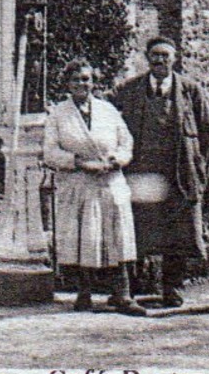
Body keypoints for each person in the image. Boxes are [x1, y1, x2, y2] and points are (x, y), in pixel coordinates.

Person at [112, 36, 209, 308]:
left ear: (175, 59)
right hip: (142, 173)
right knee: (138, 228)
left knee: (178, 232)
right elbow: (112, 126)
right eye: (154, 55)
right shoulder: (130, 89)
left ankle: (171, 288)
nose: (159, 60)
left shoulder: (190, 90)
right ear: (147, 58)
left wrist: (197, 163)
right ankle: (132, 289)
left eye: (165, 56)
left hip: (178, 173)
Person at [42, 59, 147, 316]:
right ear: (68, 83)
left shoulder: (108, 110)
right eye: (77, 79)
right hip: (78, 183)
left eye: (87, 79)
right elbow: (50, 151)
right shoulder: (58, 114)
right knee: (85, 236)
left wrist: (116, 160)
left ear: (93, 82)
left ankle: (122, 294)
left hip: (110, 182)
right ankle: (84, 293)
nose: (82, 84)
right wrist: (77, 162)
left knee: (118, 235)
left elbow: (126, 142)